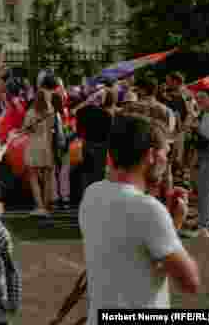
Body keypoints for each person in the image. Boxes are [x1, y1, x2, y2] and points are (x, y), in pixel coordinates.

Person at [79, 113, 199, 322]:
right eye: (165, 153)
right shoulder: (149, 210)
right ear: (150, 155)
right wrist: (170, 224)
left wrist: (172, 224)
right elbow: (190, 282)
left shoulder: (92, 194)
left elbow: (135, 258)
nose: (166, 161)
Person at [23, 90, 55, 215]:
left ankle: (39, 206)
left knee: (33, 178)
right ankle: (45, 207)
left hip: (34, 145)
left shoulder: (31, 112)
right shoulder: (51, 112)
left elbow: (25, 129)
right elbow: (52, 128)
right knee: (47, 178)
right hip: (47, 145)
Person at [194, 90, 209, 238]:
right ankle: (207, 222)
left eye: (202, 97)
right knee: (207, 191)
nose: (199, 100)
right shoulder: (204, 115)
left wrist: (196, 131)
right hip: (205, 157)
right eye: (197, 97)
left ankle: (204, 225)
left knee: (205, 192)